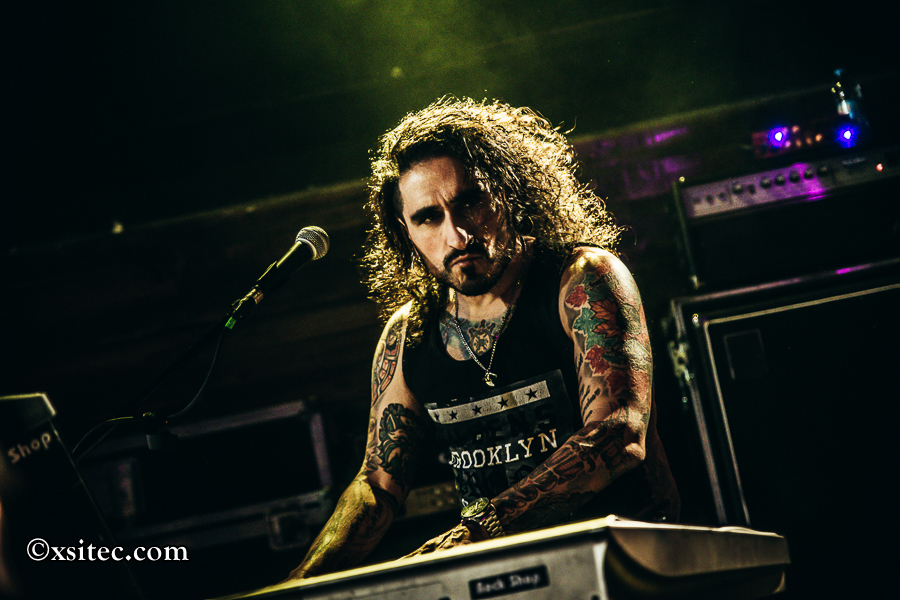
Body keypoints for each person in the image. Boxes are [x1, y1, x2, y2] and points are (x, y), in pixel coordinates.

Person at [286, 97, 678, 580]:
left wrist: (476, 531)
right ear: (405, 232)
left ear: (510, 194)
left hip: (628, 565)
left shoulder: (581, 280)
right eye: (428, 217)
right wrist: (298, 582)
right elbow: (378, 484)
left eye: (470, 202)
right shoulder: (407, 336)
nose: (456, 235)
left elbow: (618, 434)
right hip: (504, 577)